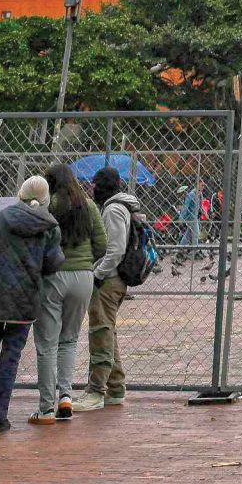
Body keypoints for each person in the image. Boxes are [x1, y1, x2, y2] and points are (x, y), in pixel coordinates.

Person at [0, 176, 60, 433]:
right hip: (24, 300)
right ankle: (0, 416)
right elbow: (52, 264)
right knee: (11, 357)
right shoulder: (49, 227)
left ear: (20, 193)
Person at [32, 167, 106, 422]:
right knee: (70, 340)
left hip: (52, 275)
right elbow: (102, 245)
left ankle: (45, 407)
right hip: (83, 277)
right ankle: (66, 396)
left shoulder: (46, 206)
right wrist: (86, 262)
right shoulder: (89, 206)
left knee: (46, 342)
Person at [87, 165, 141, 406]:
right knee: (108, 331)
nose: (92, 189)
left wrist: (98, 274)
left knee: (101, 332)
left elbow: (115, 250)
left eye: (95, 185)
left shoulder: (112, 209)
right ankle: (116, 386)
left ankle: (96, 388)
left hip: (109, 279)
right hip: (115, 278)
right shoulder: (123, 206)